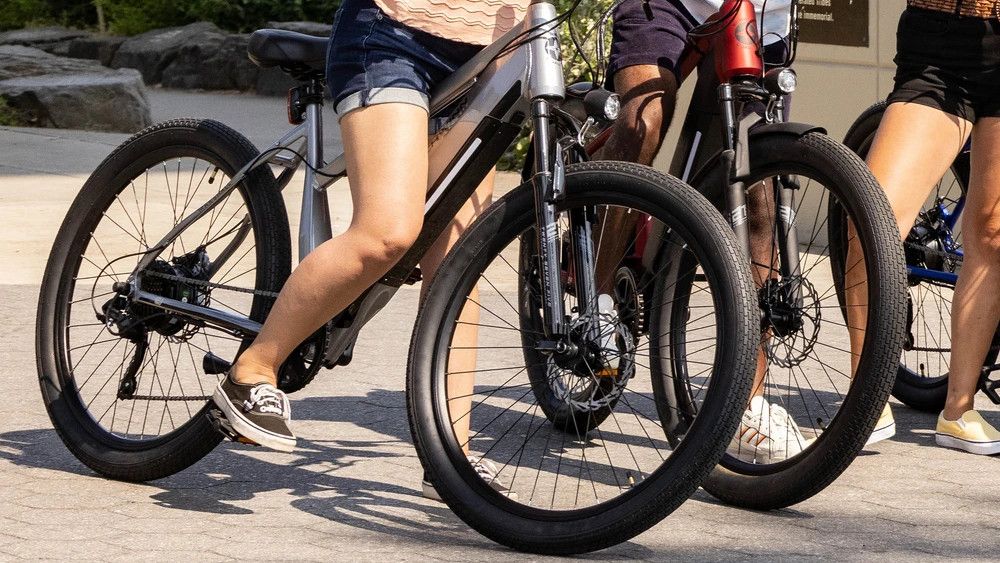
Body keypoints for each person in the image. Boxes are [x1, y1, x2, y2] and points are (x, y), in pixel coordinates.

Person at [210, 0, 530, 496]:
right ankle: (252, 371)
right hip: (394, 37)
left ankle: (450, 455)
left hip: (493, 55)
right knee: (388, 234)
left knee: (459, 264)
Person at [596, 0, 856, 462]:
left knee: (759, 185)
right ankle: (595, 305)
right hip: (668, 5)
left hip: (762, 16)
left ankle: (747, 402)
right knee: (643, 122)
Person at [848, 0, 1000, 455]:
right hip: (941, 40)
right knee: (872, 218)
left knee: (993, 231)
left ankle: (958, 408)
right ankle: (865, 394)